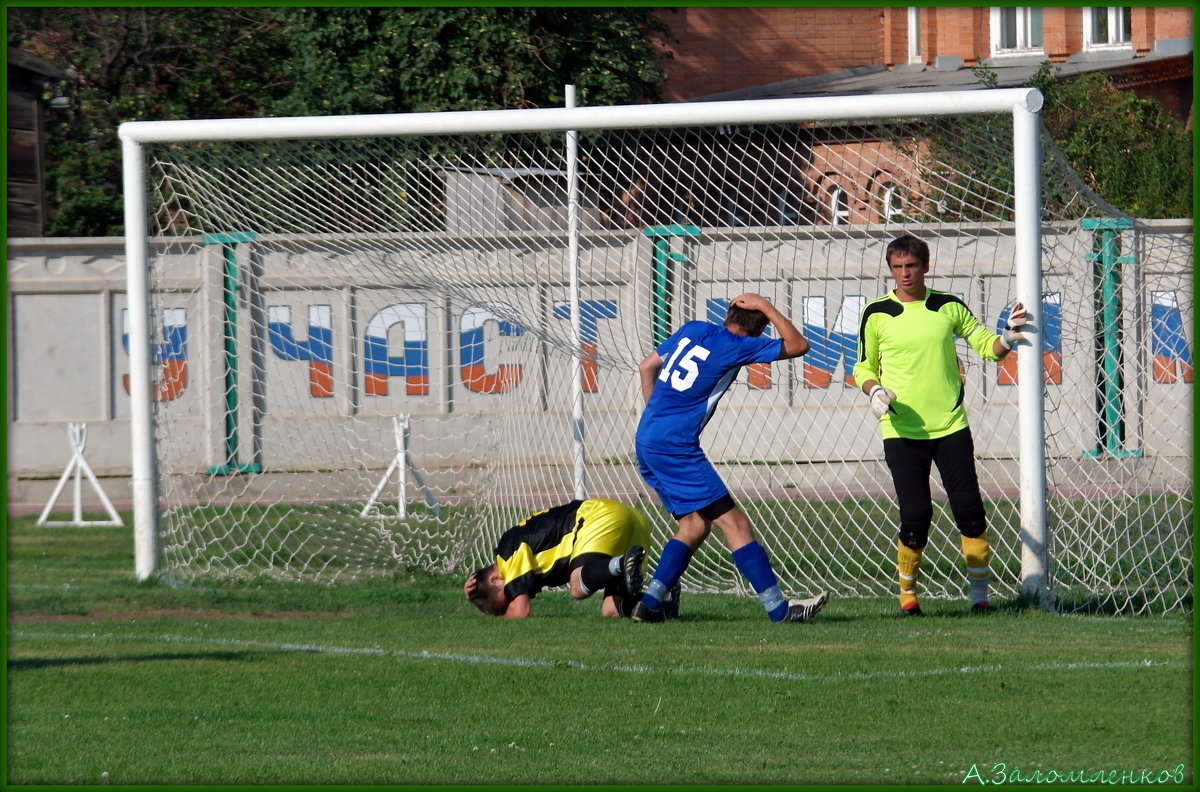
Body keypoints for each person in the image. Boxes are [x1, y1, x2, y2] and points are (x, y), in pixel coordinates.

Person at [853, 234, 1030, 616]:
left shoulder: (948, 306)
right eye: (897, 267)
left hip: (950, 426)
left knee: (969, 510)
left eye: (911, 266)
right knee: (916, 516)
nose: (904, 273)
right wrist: (874, 391)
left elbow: (986, 346)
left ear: (925, 267)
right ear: (890, 270)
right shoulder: (876, 312)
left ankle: (980, 598)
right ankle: (907, 598)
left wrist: (1007, 338)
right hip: (901, 431)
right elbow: (863, 367)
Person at [631, 293, 829, 624]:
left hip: (647, 439)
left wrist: (658, 416)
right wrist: (767, 307)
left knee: (694, 525)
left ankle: (649, 604)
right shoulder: (740, 346)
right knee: (735, 523)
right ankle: (779, 610)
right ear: (759, 327)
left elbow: (646, 367)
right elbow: (798, 345)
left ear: (727, 313)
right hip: (676, 447)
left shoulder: (694, 329)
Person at [464, 498, 650, 619]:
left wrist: (496, 613)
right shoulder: (519, 556)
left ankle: (620, 563)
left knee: (578, 588)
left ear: (495, 579)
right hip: (632, 518)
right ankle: (661, 600)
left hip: (600, 516)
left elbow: (521, 613)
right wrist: (478, 600)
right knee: (612, 612)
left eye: (506, 599)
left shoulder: (507, 554)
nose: (511, 601)